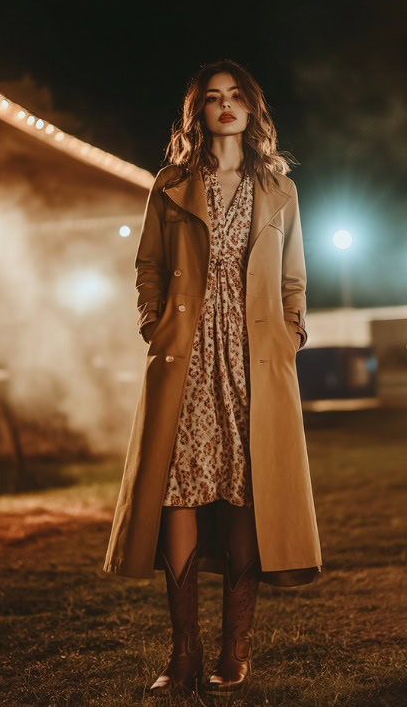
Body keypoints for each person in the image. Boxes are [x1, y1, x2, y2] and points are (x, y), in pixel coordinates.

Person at [103, 58, 323, 698]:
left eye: (235, 97)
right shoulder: (171, 183)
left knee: (248, 489)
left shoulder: (279, 189)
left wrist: (292, 334)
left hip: (256, 358)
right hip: (188, 355)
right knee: (179, 487)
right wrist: (155, 324)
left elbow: (293, 279)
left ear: (252, 110)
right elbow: (147, 263)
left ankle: (236, 645)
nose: (225, 106)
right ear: (198, 112)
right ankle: (185, 650)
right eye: (212, 99)